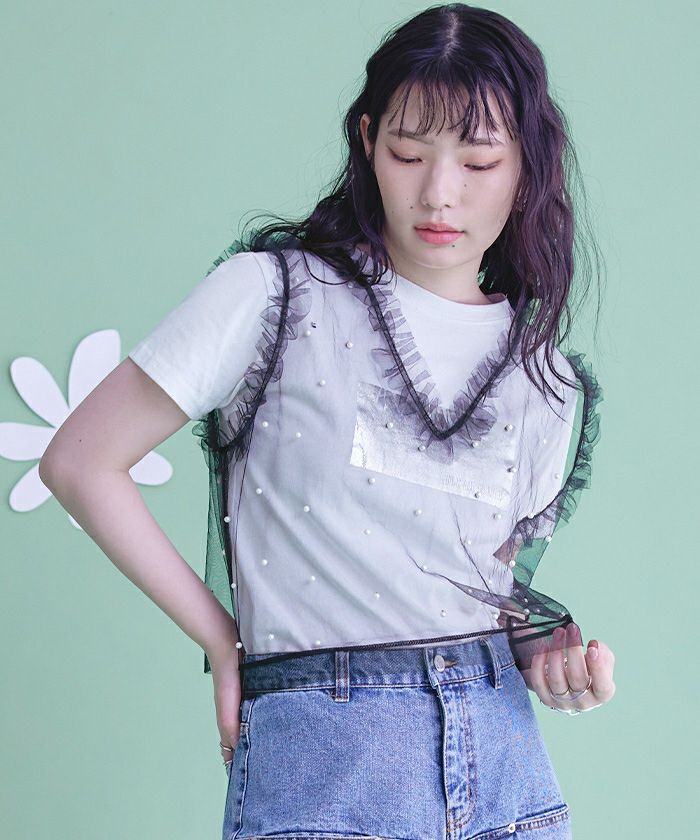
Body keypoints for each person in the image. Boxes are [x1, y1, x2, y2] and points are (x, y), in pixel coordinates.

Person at [40, 4, 616, 838]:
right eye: (408, 153)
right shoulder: (274, 297)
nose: (439, 192)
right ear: (368, 140)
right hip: (322, 765)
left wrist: (555, 664)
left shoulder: (545, 380)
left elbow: (479, 594)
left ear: (528, 166)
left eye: (480, 161)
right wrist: (223, 640)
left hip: (506, 774)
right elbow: (79, 462)